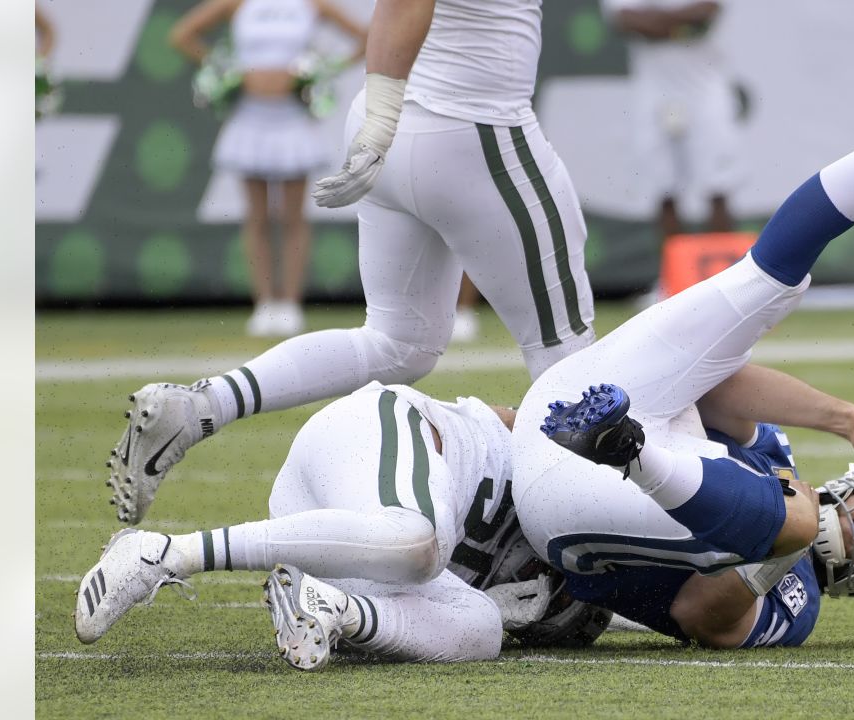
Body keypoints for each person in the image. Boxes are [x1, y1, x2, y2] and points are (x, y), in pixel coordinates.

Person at [509, 71, 854, 646]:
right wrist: (843, 417)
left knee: (786, 524)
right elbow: (717, 387)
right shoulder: (778, 456)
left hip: (577, 514)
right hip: (564, 411)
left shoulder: (801, 602)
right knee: (765, 283)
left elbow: (703, 617)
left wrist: (779, 551)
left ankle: (628, 451)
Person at [106, 0, 598, 525]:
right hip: (473, 129)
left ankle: (203, 407)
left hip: (398, 125)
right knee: (572, 365)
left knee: (397, 343)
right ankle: (583, 551)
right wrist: (385, 115)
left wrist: (384, 118)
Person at [78, 379, 611, 668]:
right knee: (418, 536)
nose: (550, 594)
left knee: (481, 628)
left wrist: (499, 608)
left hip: (333, 536)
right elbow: (524, 417)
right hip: (379, 431)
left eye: (556, 612)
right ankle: (166, 553)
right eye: (567, 595)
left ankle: (335, 611)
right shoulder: (550, 477)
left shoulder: (493, 589)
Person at [169, 0, 368, 337]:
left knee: (292, 216)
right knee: (258, 217)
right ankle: (264, 305)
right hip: (250, 118)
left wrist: (316, 72)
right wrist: (228, 71)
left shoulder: (312, 3)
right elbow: (182, 35)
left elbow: (365, 39)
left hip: (291, 120)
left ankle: (290, 304)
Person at [602, 0, 739, 306]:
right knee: (662, 190)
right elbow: (626, 20)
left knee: (717, 187)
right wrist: (680, 23)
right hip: (654, 91)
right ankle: (673, 283)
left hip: (706, 88)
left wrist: (657, 22)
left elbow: (708, 13)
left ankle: (726, 282)